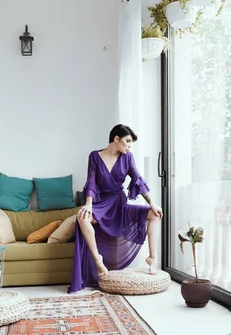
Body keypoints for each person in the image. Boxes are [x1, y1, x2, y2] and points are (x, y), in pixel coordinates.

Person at [68, 124, 163, 293]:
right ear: (116, 139)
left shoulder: (128, 157)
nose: (129, 145)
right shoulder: (95, 156)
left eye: (131, 143)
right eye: (127, 141)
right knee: (82, 217)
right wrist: (89, 204)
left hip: (119, 203)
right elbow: (91, 181)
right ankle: (98, 260)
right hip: (102, 203)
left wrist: (152, 204)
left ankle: (152, 258)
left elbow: (137, 179)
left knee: (155, 214)